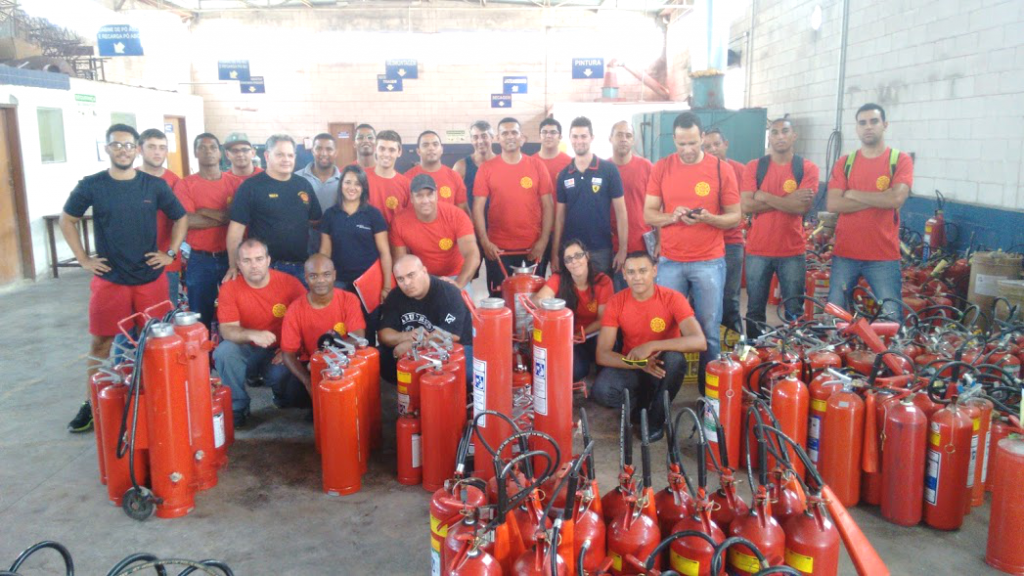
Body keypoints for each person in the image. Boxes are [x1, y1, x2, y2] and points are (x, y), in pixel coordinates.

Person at [60, 123, 188, 432]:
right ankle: (92, 404)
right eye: (116, 145)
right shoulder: (92, 185)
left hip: (150, 279)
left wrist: (170, 253)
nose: (123, 150)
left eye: (129, 145)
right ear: (107, 148)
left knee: (155, 343)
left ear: (136, 149)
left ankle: (157, 400)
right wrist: (83, 259)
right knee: (101, 343)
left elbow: (181, 217)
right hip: (110, 278)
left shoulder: (154, 186)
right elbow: (67, 220)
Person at [643, 112, 740, 395]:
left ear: (702, 138)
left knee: (709, 331)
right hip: (670, 262)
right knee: (665, 328)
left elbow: (734, 217)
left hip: (709, 262)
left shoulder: (721, 170)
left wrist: (709, 218)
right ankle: (662, 395)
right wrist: (672, 216)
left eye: (693, 143)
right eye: (681, 143)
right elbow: (649, 213)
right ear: (674, 140)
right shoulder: (662, 168)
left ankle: (709, 397)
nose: (687, 149)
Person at [591, 251, 706, 441]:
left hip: (662, 367)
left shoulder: (673, 298)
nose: (637, 277)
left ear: (654, 271)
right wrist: (640, 363)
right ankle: (642, 404)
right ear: (624, 275)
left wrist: (651, 345)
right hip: (633, 364)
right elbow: (602, 354)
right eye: (631, 272)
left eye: (643, 271)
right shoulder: (616, 302)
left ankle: (656, 421)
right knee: (602, 391)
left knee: (675, 360)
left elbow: (699, 341)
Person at [826, 103, 913, 319]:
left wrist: (852, 193)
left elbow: (896, 198)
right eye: (862, 123)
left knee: (891, 318)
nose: (868, 127)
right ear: (857, 128)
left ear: (885, 125)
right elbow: (833, 204)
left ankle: (889, 345)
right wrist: (880, 199)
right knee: (836, 316)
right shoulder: (845, 162)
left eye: (874, 121)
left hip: (883, 256)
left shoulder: (899, 160)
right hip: (845, 254)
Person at [213, 239, 307, 426]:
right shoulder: (229, 288)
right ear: (238, 264)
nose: (254, 265)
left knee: (292, 394)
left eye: (259, 259)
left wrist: (291, 350)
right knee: (224, 351)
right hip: (247, 348)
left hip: (280, 349)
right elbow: (227, 329)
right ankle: (237, 407)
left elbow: (306, 320)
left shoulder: (290, 283)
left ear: (268, 260)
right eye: (247, 260)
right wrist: (252, 334)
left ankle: (281, 395)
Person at [741, 118, 819, 337]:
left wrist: (763, 196)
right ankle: (754, 350)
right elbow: (746, 205)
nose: (780, 136)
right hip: (758, 250)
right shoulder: (755, 167)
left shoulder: (806, 168)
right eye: (774, 132)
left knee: (794, 309)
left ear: (794, 136)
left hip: (792, 252)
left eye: (785, 131)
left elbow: (801, 207)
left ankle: (795, 351)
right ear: (770, 138)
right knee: (755, 309)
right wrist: (788, 200)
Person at [473, 117, 555, 295]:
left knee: (532, 301)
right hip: (498, 249)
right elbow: (478, 208)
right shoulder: (486, 168)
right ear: (498, 138)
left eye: (514, 132)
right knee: (500, 299)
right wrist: (485, 242)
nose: (510, 136)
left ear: (522, 137)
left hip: (533, 248)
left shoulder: (537, 166)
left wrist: (543, 241)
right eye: (505, 133)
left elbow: (548, 205)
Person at [225, 134, 323, 283]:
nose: (286, 159)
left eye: (290, 155)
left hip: (301, 268)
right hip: (264, 269)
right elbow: (235, 232)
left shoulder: (303, 185)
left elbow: (315, 221)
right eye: (280, 155)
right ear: (266, 156)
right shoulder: (250, 187)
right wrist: (233, 266)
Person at [319, 164, 392, 347]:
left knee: (369, 329)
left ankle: (369, 363)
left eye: (357, 184)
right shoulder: (330, 215)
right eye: (348, 182)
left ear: (363, 188)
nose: (352, 187)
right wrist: (323, 281)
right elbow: (325, 252)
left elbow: (385, 253)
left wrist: (386, 286)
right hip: (339, 282)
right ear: (341, 184)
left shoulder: (373, 214)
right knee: (341, 328)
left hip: (368, 283)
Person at [174, 133, 241, 328]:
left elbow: (239, 217)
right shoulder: (185, 184)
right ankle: (203, 347)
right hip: (200, 260)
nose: (208, 151)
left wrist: (203, 211)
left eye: (213, 147)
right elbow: (187, 221)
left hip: (233, 258)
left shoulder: (235, 184)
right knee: (200, 315)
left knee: (236, 311)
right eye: (202, 147)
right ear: (195, 152)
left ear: (220, 153)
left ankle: (229, 347)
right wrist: (226, 216)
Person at [378, 255, 473, 387]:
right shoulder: (395, 295)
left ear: (424, 271)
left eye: (411, 275)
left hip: (452, 350)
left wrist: (414, 344)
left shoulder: (449, 293)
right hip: (417, 351)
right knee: (380, 358)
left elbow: (451, 335)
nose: (406, 283)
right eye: (400, 279)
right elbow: (383, 334)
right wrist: (405, 336)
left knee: (466, 374)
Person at [280, 254, 367, 396]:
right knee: (291, 392)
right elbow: (288, 354)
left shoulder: (349, 299)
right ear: (306, 278)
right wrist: (308, 382)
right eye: (313, 276)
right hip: (311, 365)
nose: (320, 280)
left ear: (334, 275)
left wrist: (324, 361)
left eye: (326, 274)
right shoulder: (295, 309)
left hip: (344, 361)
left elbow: (357, 338)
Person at [552, 116, 627, 276]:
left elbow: (621, 213)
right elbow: (559, 218)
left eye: (583, 136)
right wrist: (555, 253)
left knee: (603, 291)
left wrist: (623, 249)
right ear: (569, 138)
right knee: (572, 292)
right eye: (575, 136)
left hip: (601, 249)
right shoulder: (564, 175)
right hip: (571, 251)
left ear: (592, 138)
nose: (579, 141)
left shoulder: (609, 170)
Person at [532, 239, 613, 382]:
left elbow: (603, 320)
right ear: (564, 264)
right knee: (576, 371)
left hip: (593, 334)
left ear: (587, 256)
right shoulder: (559, 278)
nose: (574, 261)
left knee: (608, 354)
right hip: (569, 339)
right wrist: (546, 303)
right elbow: (537, 300)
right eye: (568, 259)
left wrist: (578, 335)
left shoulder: (603, 281)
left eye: (578, 255)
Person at [390, 174, 480, 289]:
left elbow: (472, 254)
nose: (425, 200)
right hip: (421, 277)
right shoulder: (399, 221)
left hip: (456, 275)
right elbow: (401, 264)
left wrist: (458, 285)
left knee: (460, 300)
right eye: (419, 195)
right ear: (411, 198)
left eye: (430, 194)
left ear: (437, 195)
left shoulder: (457, 216)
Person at [703, 128, 747, 338]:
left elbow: (744, 207)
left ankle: (734, 346)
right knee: (703, 299)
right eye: (707, 147)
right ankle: (704, 346)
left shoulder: (739, 170)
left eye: (716, 144)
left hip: (731, 243)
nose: (713, 149)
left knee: (730, 299)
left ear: (726, 144)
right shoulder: (698, 172)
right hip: (704, 244)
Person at [136, 128, 183, 304]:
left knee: (166, 313)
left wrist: (170, 253)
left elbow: (182, 220)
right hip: (131, 262)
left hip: (165, 261)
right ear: (139, 149)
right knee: (133, 316)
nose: (157, 152)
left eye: (162, 147)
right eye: (152, 147)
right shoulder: (128, 178)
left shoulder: (175, 181)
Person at [608, 121, 654, 291]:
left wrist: (659, 242)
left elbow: (658, 206)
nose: (624, 139)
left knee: (643, 297)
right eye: (619, 135)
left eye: (628, 136)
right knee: (617, 297)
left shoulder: (646, 167)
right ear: (610, 138)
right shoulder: (603, 169)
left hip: (642, 245)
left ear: (633, 140)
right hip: (612, 248)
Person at [405, 130, 469, 214]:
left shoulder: (454, 176)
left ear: (441, 149)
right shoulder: (407, 178)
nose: (431, 148)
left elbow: (461, 211)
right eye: (425, 145)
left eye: (435, 144)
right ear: (418, 151)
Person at [364, 129, 410, 225]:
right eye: (382, 149)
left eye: (392, 150)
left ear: (399, 152)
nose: (386, 154)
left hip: (394, 234)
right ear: (375, 149)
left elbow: (408, 220)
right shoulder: (361, 178)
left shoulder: (406, 185)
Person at [453, 120, 497, 209]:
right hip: (470, 217)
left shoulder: (502, 164)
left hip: (498, 217)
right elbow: (451, 197)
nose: (480, 141)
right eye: (475, 137)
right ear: (471, 140)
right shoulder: (461, 166)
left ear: (492, 138)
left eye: (484, 136)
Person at [297, 133, 342, 211]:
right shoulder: (297, 178)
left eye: (329, 149)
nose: (323, 153)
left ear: (336, 152)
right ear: (312, 151)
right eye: (319, 148)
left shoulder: (344, 181)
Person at [534, 117, 571, 189]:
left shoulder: (569, 163)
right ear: (539, 136)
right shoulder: (531, 162)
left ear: (560, 137)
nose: (548, 136)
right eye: (544, 132)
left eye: (553, 132)